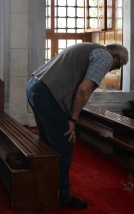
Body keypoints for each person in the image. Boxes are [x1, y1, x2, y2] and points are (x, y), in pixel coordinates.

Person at [26, 42, 129, 209]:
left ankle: (42, 186)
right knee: (64, 146)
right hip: (48, 95)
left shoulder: (88, 47)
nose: (112, 70)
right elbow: (83, 90)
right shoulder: (104, 56)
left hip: (35, 86)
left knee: (47, 144)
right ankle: (62, 197)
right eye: (118, 66)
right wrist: (73, 119)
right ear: (115, 56)